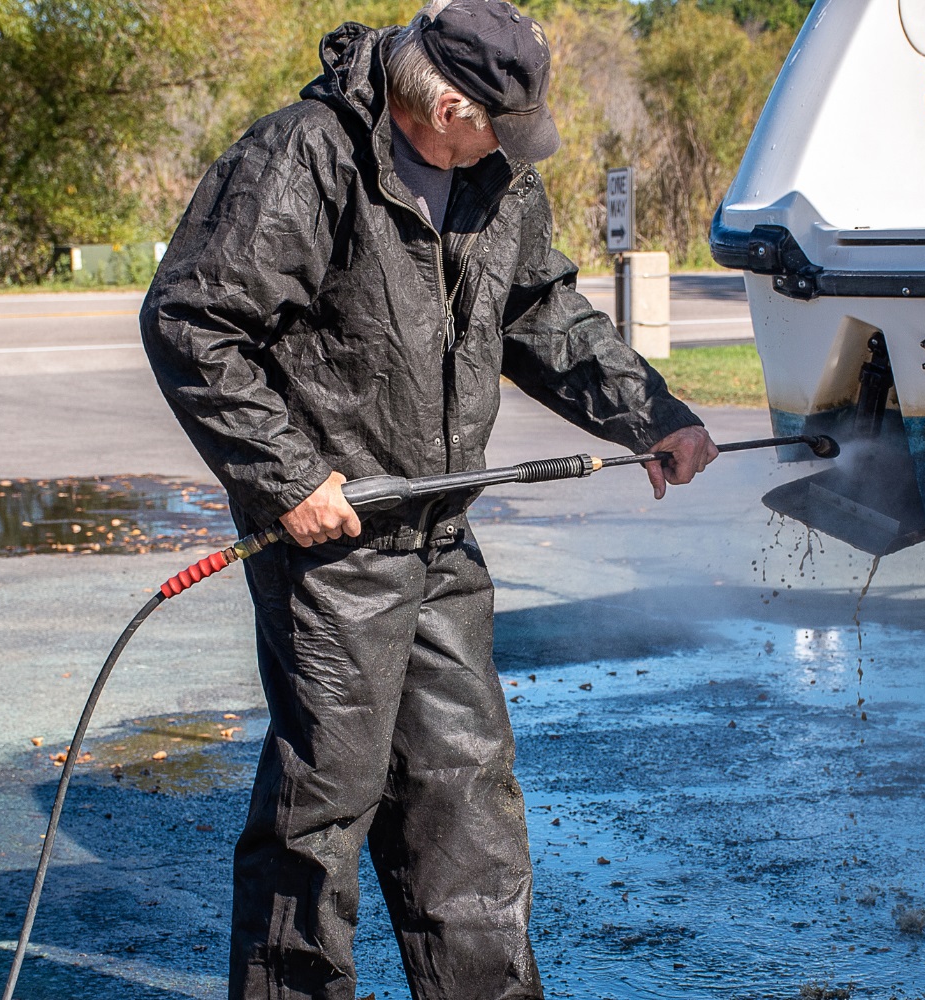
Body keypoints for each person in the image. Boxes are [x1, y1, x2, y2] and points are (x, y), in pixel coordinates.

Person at [140, 2, 717, 997]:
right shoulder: (305, 158)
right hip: (334, 543)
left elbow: (543, 313)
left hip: (440, 535)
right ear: (445, 104)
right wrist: (285, 478)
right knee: (324, 803)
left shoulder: (490, 179)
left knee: (467, 792)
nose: (511, 144)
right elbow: (192, 321)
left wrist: (650, 414)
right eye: (500, 122)